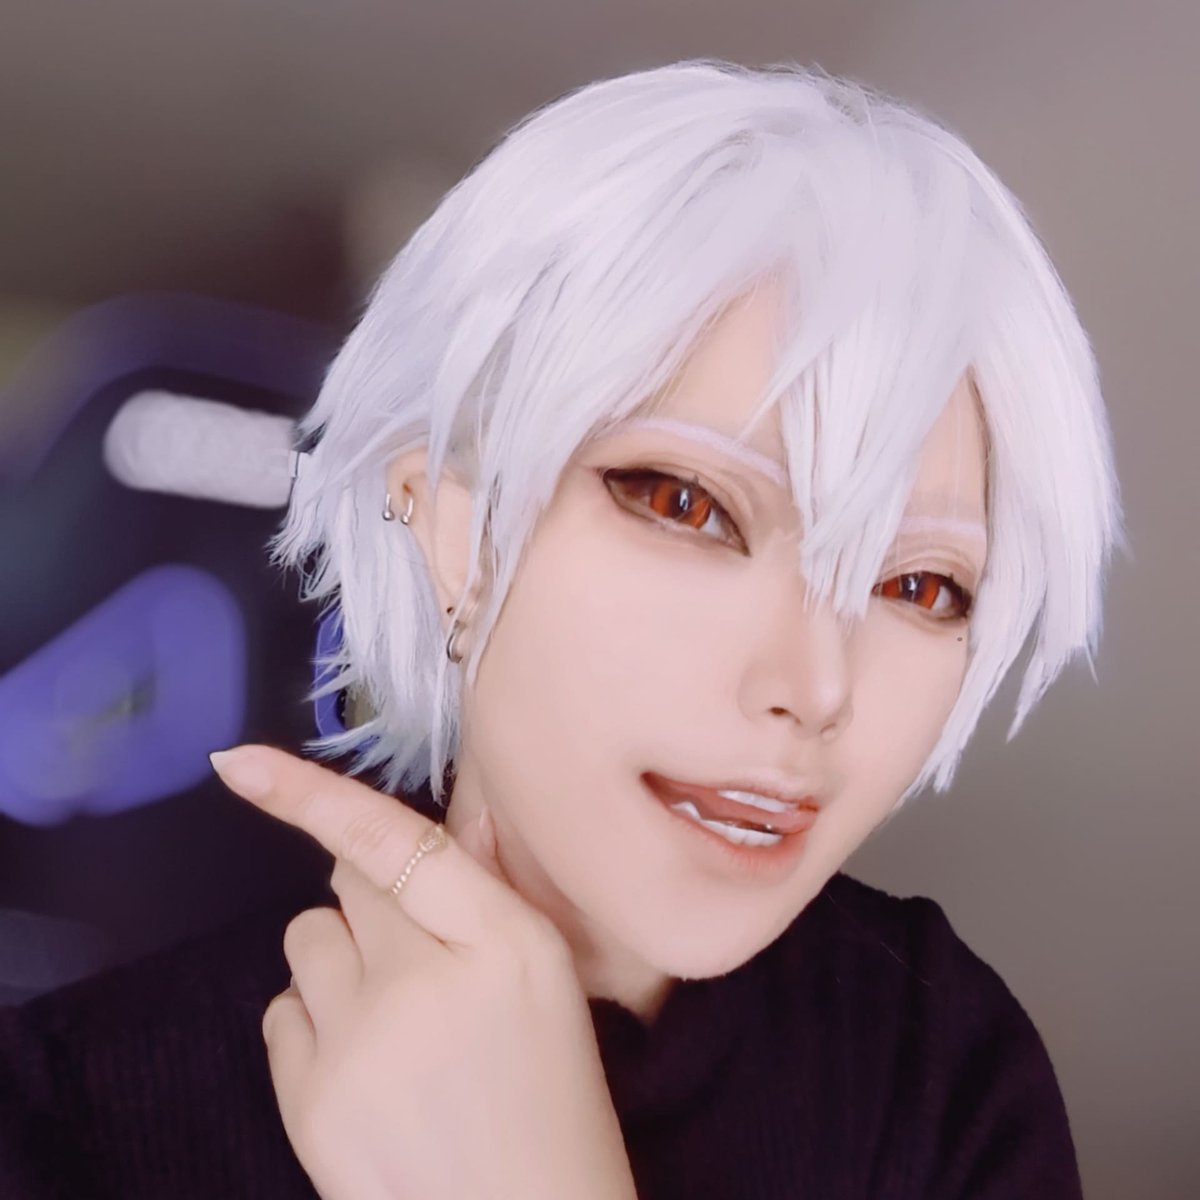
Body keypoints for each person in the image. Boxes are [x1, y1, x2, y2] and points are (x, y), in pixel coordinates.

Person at [0, 60, 1119, 1199]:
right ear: (454, 534)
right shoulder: (66, 1113)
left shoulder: (943, 1071)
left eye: (922, 586)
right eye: (690, 505)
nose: (816, 686)